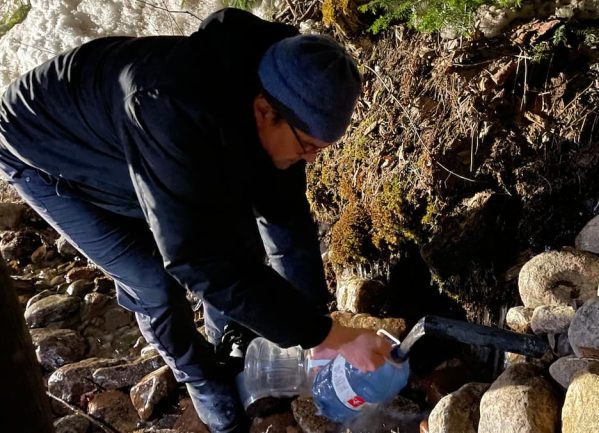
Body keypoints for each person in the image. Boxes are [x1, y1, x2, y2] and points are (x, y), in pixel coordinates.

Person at [0, 8, 391, 433]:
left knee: (232, 220)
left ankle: (228, 335)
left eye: (322, 148)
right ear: (264, 111)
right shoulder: (169, 108)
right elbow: (195, 258)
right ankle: (200, 377)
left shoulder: (284, 92)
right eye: (309, 146)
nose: (312, 158)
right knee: (152, 278)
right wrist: (323, 336)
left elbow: (285, 223)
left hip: (123, 132)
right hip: (41, 148)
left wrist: (317, 325)